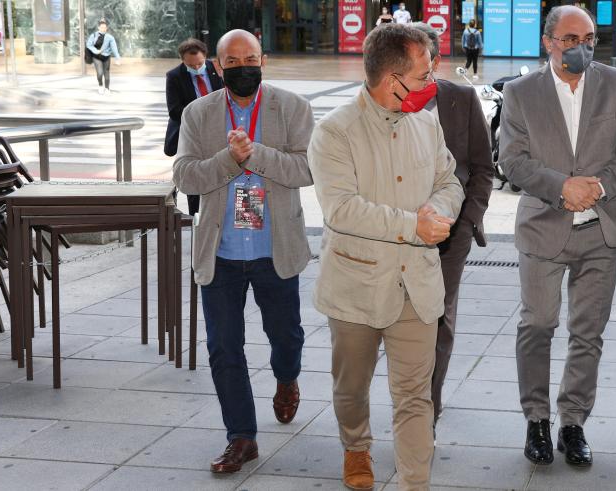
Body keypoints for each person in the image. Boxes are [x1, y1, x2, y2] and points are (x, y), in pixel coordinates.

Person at [308, 23, 464, 490]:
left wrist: (439, 210)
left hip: (416, 286)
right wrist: (411, 226)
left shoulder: (427, 120)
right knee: (351, 389)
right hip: (355, 288)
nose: (431, 83)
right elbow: (342, 209)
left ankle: (415, 482)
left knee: (415, 396)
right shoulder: (334, 132)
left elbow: (450, 181)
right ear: (391, 79)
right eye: (422, 75)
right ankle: (356, 447)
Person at [499, 5, 616, 468]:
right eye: (569, 39)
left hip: (602, 231)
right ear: (548, 42)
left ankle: (572, 423)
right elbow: (513, 161)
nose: (580, 48)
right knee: (538, 325)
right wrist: (563, 187)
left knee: (588, 333)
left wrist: (599, 186)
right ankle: (537, 421)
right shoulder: (520, 93)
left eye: (587, 39)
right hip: (544, 228)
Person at [172, 29, 315, 475]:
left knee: (286, 335)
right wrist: (229, 161)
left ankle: (287, 378)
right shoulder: (198, 114)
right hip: (221, 252)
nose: (242, 67)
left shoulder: (292, 107)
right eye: (231, 62)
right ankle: (241, 437)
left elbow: (307, 168)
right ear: (218, 67)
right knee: (223, 348)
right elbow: (185, 176)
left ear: (263, 60)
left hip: (276, 249)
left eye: (249, 58)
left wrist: (255, 156)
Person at [409, 22, 494, 429]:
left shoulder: (460, 98)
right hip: (396, 233)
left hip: (451, 235)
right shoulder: (385, 99)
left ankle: (428, 407)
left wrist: (469, 218)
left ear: (437, 60)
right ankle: (408, 396)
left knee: (439, 318)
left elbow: (482, 168)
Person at [164, 38, 224, 215]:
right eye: (191, 65)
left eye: (199, 63)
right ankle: (196, 216)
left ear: (205, 56)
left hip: (217, 131)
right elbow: (174, 111)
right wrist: (199, 117)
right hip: (192, 134)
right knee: (195, 176)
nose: (197, 68)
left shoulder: (216, 69)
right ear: (183, 60)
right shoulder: (174, 76)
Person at [85, 19, 121, 95]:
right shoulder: (94, 35)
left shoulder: (110, 37)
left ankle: (107, 88)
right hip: (97, 56)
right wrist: (96, 51)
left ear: (106, 28)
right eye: (101, 27)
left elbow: (114, 48)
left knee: (106, 73)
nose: (103, 29)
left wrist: (117, 58)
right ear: (98, 27)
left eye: (104, 27)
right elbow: (89, 45)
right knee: (100, 73)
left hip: (106, 57)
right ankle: (100, 85)